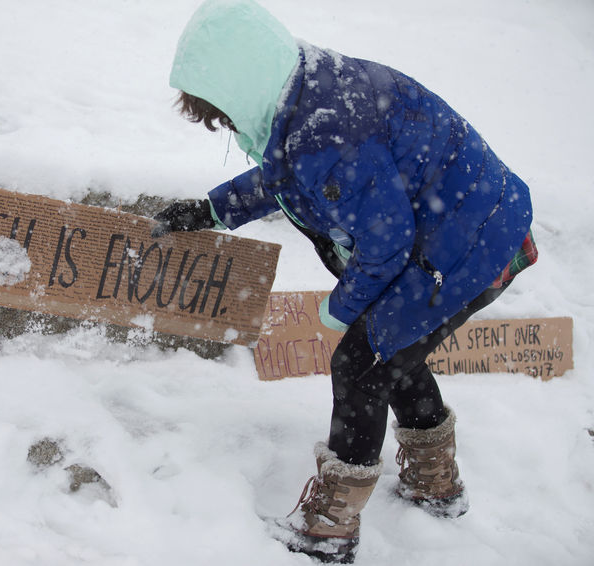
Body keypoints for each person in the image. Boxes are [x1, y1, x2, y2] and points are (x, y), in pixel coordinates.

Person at [152, 0, 537, 563]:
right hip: (472, 222)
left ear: (243, 85)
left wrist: (341, 307)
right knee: (392, 347)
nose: (229, 126)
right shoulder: (302, 89)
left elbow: (386, 245)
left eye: (225, 114)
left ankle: (330, 526)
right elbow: (290, 175)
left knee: (360, 363)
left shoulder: (326, 132)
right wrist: (212, 211)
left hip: (467, 247)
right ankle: (435, 483)